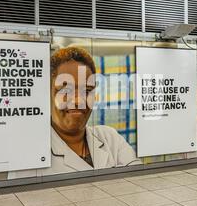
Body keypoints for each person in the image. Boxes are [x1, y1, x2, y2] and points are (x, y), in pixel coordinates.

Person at [8, 46, 139, 179]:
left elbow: (138, 183)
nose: (78, 101)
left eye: (87, 91)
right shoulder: (28, 154)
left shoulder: (110, 139)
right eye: (66, 90)